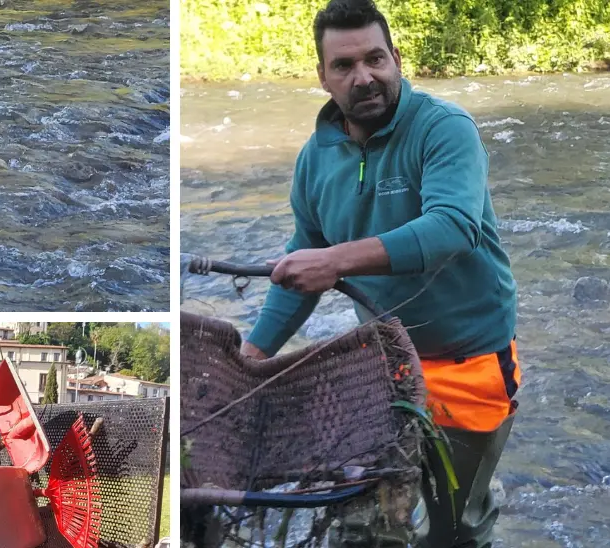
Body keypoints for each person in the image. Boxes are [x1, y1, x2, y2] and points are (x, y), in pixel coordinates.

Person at [239, 0, 521, 546]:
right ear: (322, 77)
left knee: (455, 527)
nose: (363, 76)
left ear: (396, 57)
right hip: (383, 368)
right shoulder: (314, 159)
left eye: (375, 59)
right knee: (364, 526)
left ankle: (477, 506)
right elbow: (303, 263)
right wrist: (253, 357)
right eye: (344, 65)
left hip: (470, 361)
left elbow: (452, 228)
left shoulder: (444, 129)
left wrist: (335, 261)